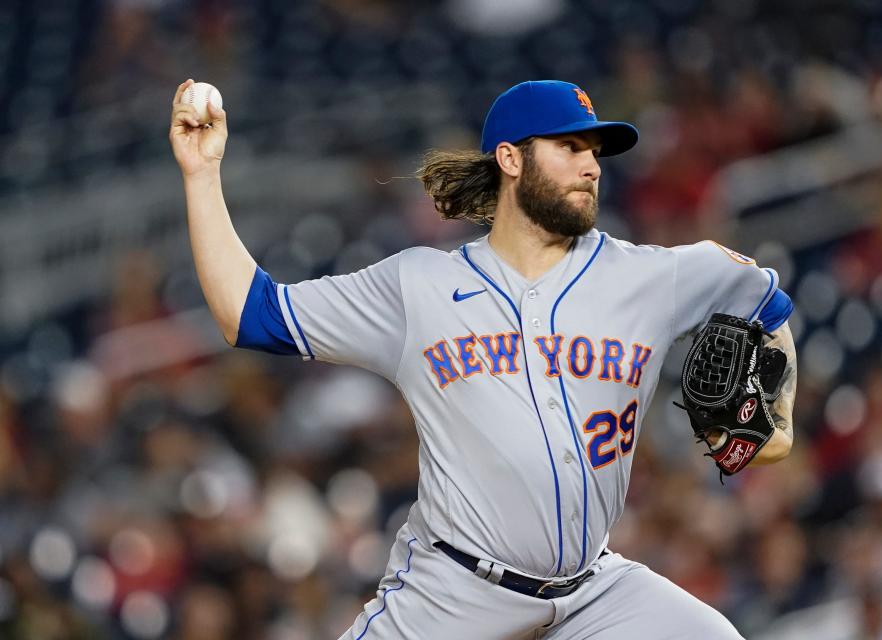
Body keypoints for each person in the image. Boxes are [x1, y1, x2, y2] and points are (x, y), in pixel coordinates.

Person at [170, 78, 798, 639]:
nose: (591, 166)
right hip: (454, 595)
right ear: (510, 159)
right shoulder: (418, 288)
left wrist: (781, 421)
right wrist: (201, 176)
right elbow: (249, 314)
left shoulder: (650, 276)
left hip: (593, 593)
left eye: (595, 152)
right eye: (570, 147)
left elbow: (767, 303)